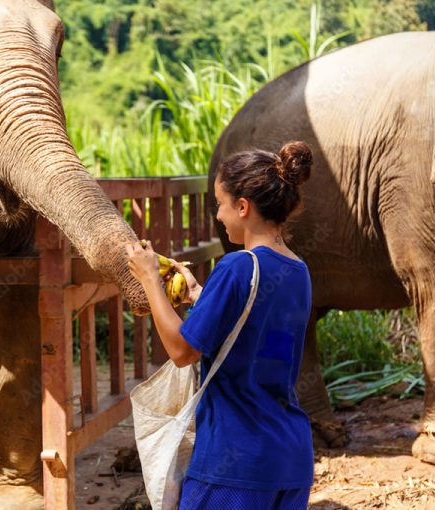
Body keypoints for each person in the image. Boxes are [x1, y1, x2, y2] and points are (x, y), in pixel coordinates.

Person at [126, 141, 315, 509]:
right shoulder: (299, 271)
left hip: (234, 463)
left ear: (243, 207)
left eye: (220, 204)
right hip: (290, 459)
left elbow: (182, 351)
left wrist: (150, 279)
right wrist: (200, 295)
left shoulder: (237, 266)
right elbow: (257, 328)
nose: (219, 215)